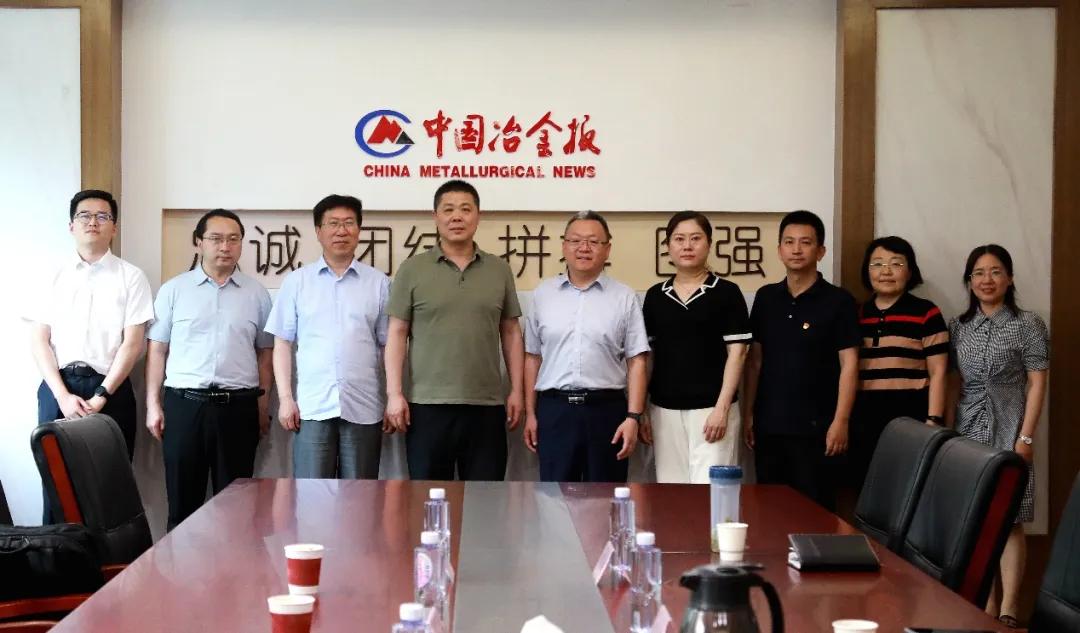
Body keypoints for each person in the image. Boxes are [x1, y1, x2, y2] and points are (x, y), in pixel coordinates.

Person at [384, 180, 524, 480]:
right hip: (427, 405)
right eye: (448, 210)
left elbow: (511, 332)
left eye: (465, 209)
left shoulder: (498, 269)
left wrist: (517, 390)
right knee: (428, 497)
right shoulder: (412, 269)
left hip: (486, 405)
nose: (456, 217)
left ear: (478, 216)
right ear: (436, 217)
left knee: (486, 498)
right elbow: (396, 333)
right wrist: (394, 394)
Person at [145, 209, 273, 530]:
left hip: (239, 408)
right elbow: (157, 350)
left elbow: (265, 354)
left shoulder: (257, 294)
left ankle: (233, 565)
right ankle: (179, 564)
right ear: (198, 242)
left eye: (233, 239)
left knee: (237, 511)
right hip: (185, 407)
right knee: (182, 506)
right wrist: (153, 405)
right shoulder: (174, 290)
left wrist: (263, 406)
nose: (225, 246)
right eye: (216, 238)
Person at [947, 244, 1048, 629]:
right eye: (978, 273)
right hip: (968, 429)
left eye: (995, 272)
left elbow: (1037, 384)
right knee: (975, 519)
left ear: (1009, 278)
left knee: (1010, 518)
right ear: (969, 281)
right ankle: (985, 606)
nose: (986, 280)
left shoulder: (1029, 324)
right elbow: (954, 384)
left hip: (1011, 425)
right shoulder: (958, 326)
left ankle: (1009, 608)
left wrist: (1026, 437)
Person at [742, 210, 860, 511]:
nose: (796, 249)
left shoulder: (839, 301)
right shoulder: (766, 298)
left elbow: (849, 366)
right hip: (770, 426)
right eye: (789, 242)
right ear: (779, 249)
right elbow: (755, 362)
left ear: (820, 251)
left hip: (818, 428)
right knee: (769, 510)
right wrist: (749, 414)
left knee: (815, 512)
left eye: (805, 242)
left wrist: (841, 421)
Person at [265, 195, 390, 479]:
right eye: (333, 223)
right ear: (318, 231)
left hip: (363, 406)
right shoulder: (297, 282)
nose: (341, 231)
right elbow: (282, 343)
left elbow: (389, 346)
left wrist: (391, 396)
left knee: (360, 496)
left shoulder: (379, 283)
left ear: (359, 230)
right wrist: (286, 398)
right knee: (311, 496)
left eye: (349, 223)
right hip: (312, 407)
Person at [28, 190, 153, 464]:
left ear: (114, 228)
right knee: (57, 478)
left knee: (111, 477)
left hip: (110, 388)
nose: (93, 222)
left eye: (102, 216)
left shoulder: (132, 277)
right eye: (84, 215)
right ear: (71, 226)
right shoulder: (51, 274)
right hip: (58, 386)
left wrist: (102, 395)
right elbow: (39, 341)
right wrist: (62, 396)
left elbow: (133, 344)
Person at [522, 211, 649, 482]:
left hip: (606, 412)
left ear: (607, 249)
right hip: (555, 411)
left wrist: (633, 417)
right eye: (576, 240)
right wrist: (530, 413)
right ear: (564, 246)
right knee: (554, 498)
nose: (584, 248)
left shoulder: (624, 296)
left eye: (593, 241)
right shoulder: (543, 294)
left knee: (606, 497)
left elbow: (637, 360)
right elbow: (532, 357)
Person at [642, 211, 750, 483]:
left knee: (712, 492)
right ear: (668, 246)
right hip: (664, 410)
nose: (687, 246)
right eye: (679, 239)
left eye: (695, 238)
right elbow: (648, 358)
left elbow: (738, 354)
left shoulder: (727, 293)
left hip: (712, 410)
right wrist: (643, 410)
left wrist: (722, 409)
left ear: (709, 244)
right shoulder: (655, 296)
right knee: (671, 491)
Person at [849, 236, 948, 491]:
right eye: (877, 264)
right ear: (867, 271)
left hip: (911, 417)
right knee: (865, 489)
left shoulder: (926, 312)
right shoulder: (856, 314)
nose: (886, 271)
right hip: (863, 417)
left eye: (896, 264)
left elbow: (939, 372)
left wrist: (934, 421)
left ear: (910, 271)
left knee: (906, 491)